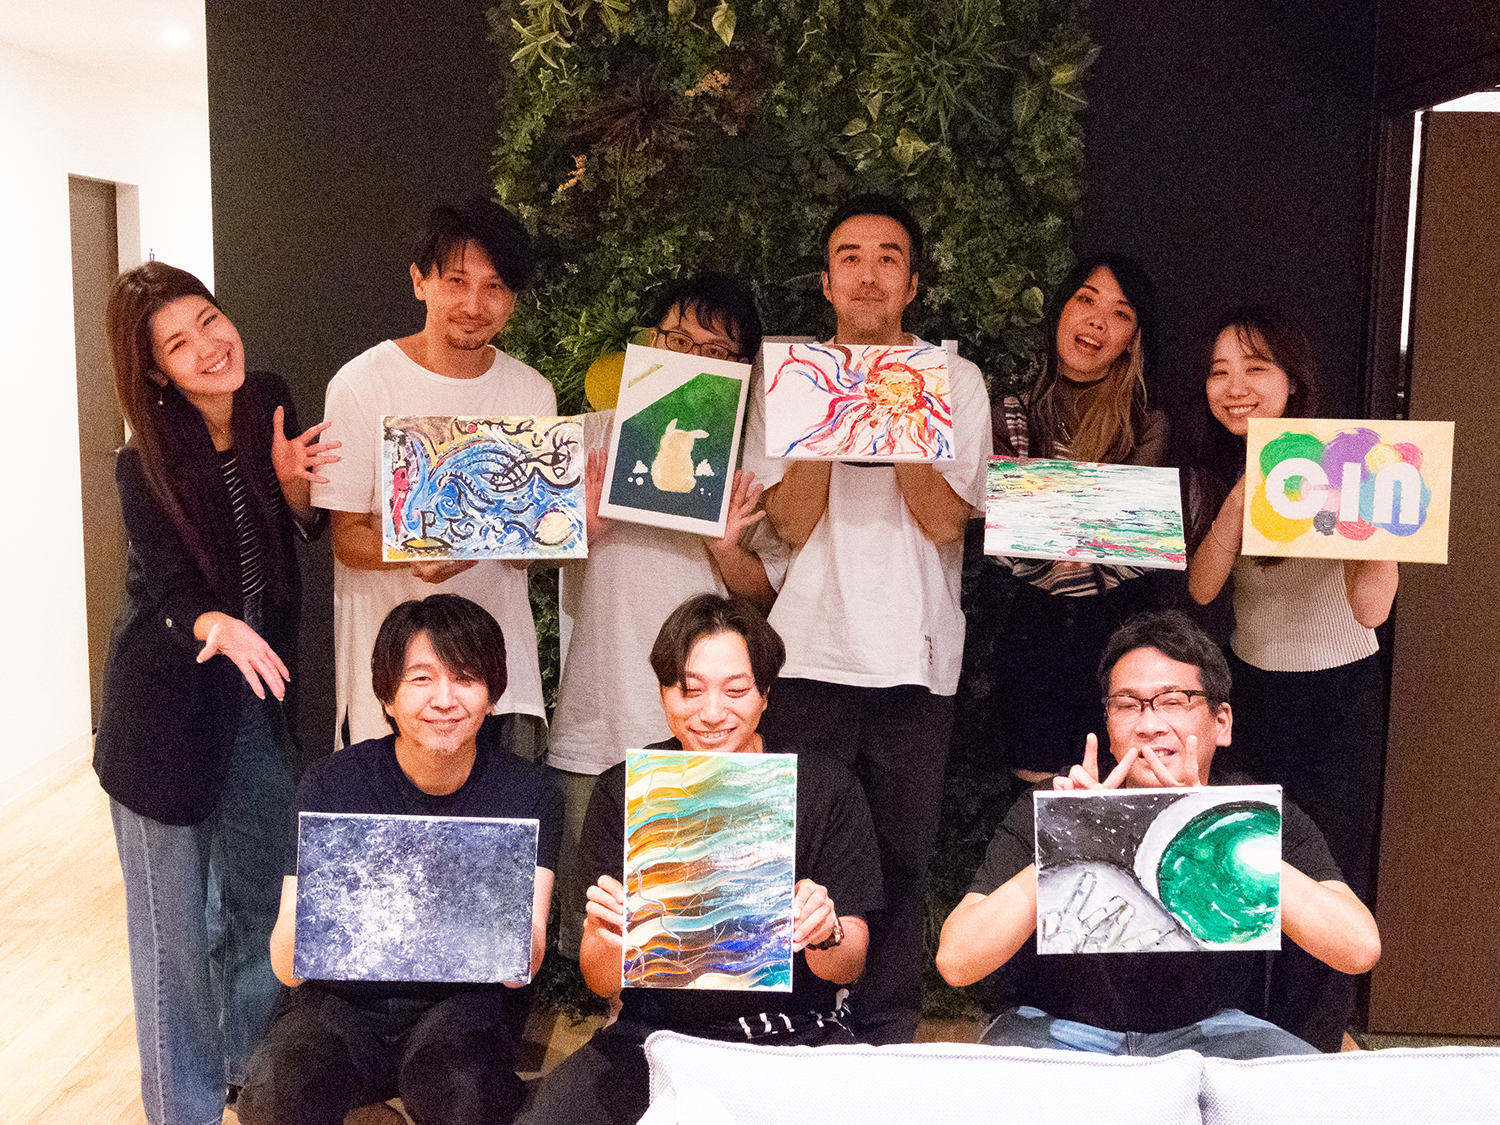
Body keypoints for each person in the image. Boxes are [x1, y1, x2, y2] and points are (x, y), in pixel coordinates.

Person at [741, 193, 991, 1042]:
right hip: (808, 649)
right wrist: (830, 402)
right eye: (850, 257)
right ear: (826, 281)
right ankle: (792, 1014)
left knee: (902, 854)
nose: (869, 274)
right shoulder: (791, 378)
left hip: (916, 658)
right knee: (799, 845)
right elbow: (790, 521)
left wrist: (894, 404)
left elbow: (947, 521)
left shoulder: (954, 380)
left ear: (912, 283)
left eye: (889, 258)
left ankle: (885, 1023)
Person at [94, 261, 339, 1124]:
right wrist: (218, 625)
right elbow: (166, 589)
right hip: (161, 714)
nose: (207, 346)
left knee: (262, 895)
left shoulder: (268, 397)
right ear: (157, 371)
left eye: (208, 319)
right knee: (170, 939)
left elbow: (299, 525)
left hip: (254, 698)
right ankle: (183, 1106)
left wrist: (292, 483)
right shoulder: (143, 462)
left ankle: (244, 1070)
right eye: (178, 343)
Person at [936, 610, 1381, 1058]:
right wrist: (1072, 839)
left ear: (1221, 722)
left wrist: (1221, 832)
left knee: (1313, 1088)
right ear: (1109, 727)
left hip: (1213, 1033)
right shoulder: (1055, 802)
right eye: (1127, 705)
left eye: (1173, 701)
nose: (1149, 724)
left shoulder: (1251, 813)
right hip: (1059, 1031)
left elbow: (1358, 948)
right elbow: (957, 961)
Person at [518, 594, 882, 1125]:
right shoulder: (628, 790)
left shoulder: (824, 787)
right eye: (689, 690)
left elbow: (849, 963)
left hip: (793, 1032)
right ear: (663, 693)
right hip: (654, 1035)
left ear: (764, 695)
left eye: (735, 691)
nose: (712, 713)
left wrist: (825, 932)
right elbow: (601, 981)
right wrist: (608, 938)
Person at [237, 595, 560, 1125]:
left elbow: (525, 962)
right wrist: (309, 925)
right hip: (338, 1003)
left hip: (460, 1005)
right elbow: (285, 963)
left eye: (465, 678)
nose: (444, 699)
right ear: (387, 697)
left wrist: (508, 931)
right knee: (277, 1091)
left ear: (492, 697)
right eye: (421, 679)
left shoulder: (527, 793)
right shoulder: (333, 784)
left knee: (464, 1093)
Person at [1182, 306, 1398, 1050]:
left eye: (1255, 368)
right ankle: (1246, 1031)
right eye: (1219, 371)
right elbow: (1203, 587)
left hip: (1338, 694)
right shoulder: (1212, 468)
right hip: (1252, 692)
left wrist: (1372, 528)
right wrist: (1246, 493)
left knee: (1328, 869)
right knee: (1246, 859)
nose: (1234, 386)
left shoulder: (1351, 462)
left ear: (1293, 381)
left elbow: (1371, 609)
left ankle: (1317, 1038)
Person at [548, 272, 774, 958]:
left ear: (743, 369)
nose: (693, 359)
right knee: (598, 933)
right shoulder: (589, 436)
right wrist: (581, 528)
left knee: (700, 928)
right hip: (597, 714)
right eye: (678, 340)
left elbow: (767, 599)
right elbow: (520, 552)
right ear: (649, 343)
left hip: (706, 723)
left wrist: (726, 548)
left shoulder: (753, 464)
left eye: (717, 351)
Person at [312, 196, 555, 756]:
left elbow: (524, 553)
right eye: (456, 281)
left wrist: (557, 526)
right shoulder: (360, 385)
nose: (474, 304)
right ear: (420, 281)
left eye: (495, 287)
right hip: (395, 690)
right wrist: (419, 551)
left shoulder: (531, 392)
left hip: (500, 684)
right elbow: (347, 539)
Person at [982, 253, 1172, 783]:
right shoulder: (1011, 413)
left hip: (1123, 634)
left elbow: (1136, 546)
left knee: (1128, 793)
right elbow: (1008, 541)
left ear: (1133, 339)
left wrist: (1043, 511)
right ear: (1061, 310)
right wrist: (1096, 518)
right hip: (1034, 636)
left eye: (1120, 313)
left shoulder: (1147, 422)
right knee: (1038, 802)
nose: (1097, 321)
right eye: (1086, 299)